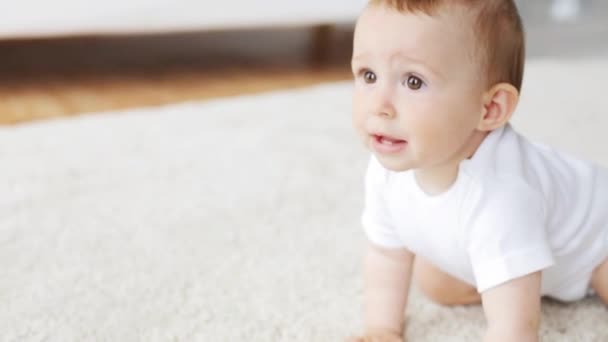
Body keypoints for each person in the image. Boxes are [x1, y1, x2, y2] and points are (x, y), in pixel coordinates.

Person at [347, 1, 608, 341]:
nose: (379, 106)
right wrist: (382, 329)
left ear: (490, 108)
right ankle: (511, 268)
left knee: (520, 293)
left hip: (597, 244)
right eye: (368, 75)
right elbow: (386, 251)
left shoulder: (503, 195)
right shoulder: (388, 166)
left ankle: (521, 272)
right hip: (532, 250)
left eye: (413, 82)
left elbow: (515, 330)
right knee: (435, 282)